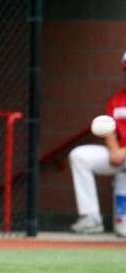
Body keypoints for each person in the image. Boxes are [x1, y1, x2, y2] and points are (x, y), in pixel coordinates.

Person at [68, 52, 126, 234]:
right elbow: (108, 128)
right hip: (119, 155)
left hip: (124, 154)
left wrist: (122, 152)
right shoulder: (117, 100)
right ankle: (91, 218)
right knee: (79, 156)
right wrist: (114, 150)